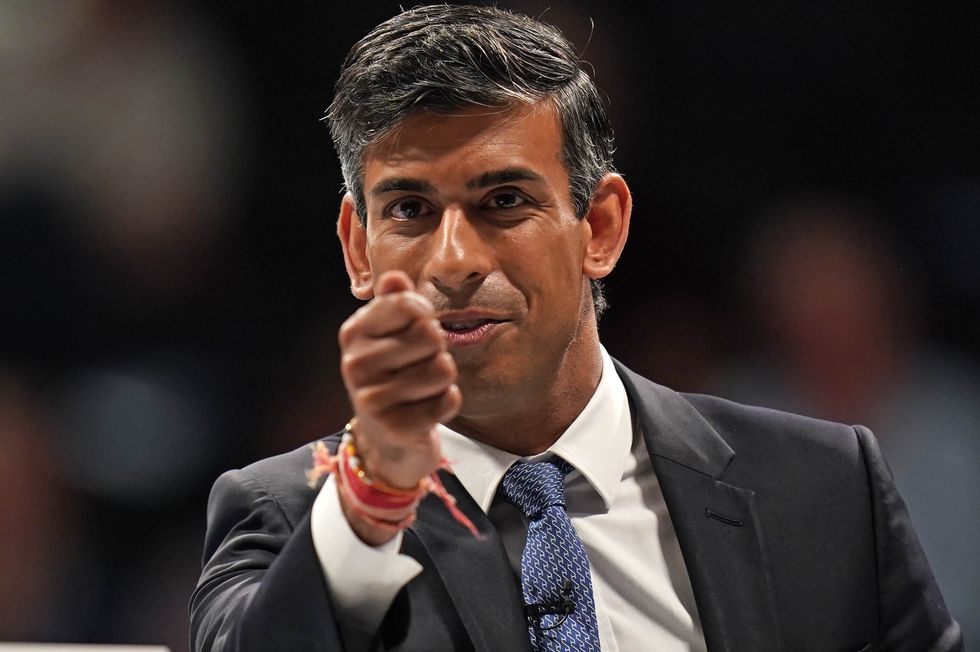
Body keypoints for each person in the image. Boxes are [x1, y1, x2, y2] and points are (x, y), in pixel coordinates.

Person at [190, 6, 962, 651]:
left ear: (600, 227)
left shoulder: (825, 487)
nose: (453, 261)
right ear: (359, 249)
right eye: (410, 210)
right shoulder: (284, 516)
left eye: (504, 202)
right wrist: (372, 502)